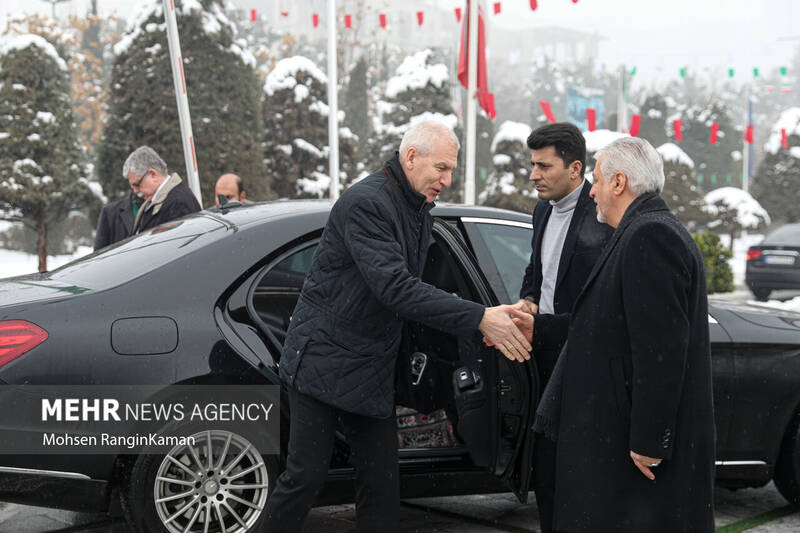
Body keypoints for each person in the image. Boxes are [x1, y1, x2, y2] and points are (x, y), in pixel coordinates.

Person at [261, 121, 531, 533]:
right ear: (410, 157)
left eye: (451, 171)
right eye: (440, 167)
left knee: (382, 483)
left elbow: (416, 286)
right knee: (305, 478)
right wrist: (479, 317)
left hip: (368, 366)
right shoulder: (366, 203)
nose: (447, 180)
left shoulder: (417, 207)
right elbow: (396, 289)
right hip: (323, 360)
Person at [512, 137, 715, 532]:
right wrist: (538, 327)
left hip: (632, 452)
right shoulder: (637, 231)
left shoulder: (651, 236)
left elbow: (661, 350)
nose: (592, 191)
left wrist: (650, 440)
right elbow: (604, 323)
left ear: (619, 183)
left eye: (598, 180)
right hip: (614, 442)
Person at [515, 122, 612, 533]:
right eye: (532, 165)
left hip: (586, 360)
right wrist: (528, 299)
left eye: (543, 165)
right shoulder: (542, 210)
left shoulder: (604, 214)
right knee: (546, 473)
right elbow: (536, 271)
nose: (533, 175)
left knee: (582, 479)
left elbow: (607, 307)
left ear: (575, 169)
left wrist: (548, 326)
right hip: (544, 357)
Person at [124, 146, 201, 235]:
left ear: (153, 174)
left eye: (137, 185)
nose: (135, 191)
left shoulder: (177, 202)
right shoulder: (159, 200)